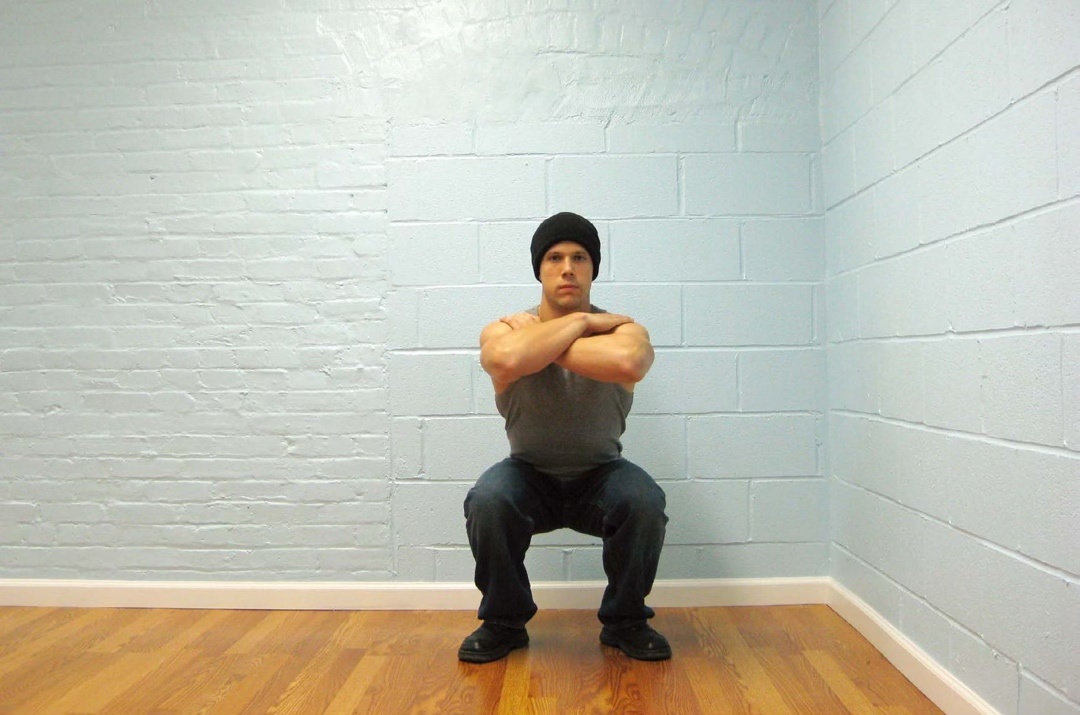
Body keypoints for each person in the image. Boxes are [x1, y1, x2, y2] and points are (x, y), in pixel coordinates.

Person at [458, 211, 671, 664]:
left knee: (644, 500)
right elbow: (505, 360)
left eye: (579, 258)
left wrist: (540, 342)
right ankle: (503, 623)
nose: (568, 268)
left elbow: (629, 362)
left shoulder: (623, 328)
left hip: (602, 476)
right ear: (540, 269)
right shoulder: (504, 327)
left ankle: (626, 621)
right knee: (488, 500)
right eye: (555, 258)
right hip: (528, 474)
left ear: (593, 269)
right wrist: (579, 325)